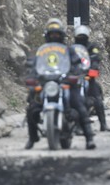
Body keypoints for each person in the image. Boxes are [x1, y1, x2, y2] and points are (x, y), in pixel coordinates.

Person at [25, 18, 96, 150]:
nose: (54, 36)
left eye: (57, 34)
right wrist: (32, 77)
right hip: (46, 83)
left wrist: (74, 75)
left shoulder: (68, 50)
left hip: (65, 82)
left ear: (62, 35)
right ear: (47, 35)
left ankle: (89, 138)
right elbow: (33, 65)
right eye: (52, 34)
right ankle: (32, 137)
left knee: (80, 105)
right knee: (32, 108)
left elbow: (76, 64)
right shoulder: (40, 51)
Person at [74, 25, 110, 132]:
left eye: (83, 36)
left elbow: (95, 58)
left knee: (97, 99)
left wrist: (93, 68)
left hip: (88, 77)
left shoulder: (92, 47)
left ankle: (103, 124)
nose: (81, 38)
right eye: (79, 36)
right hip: (75, 77)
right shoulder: (72, 48)